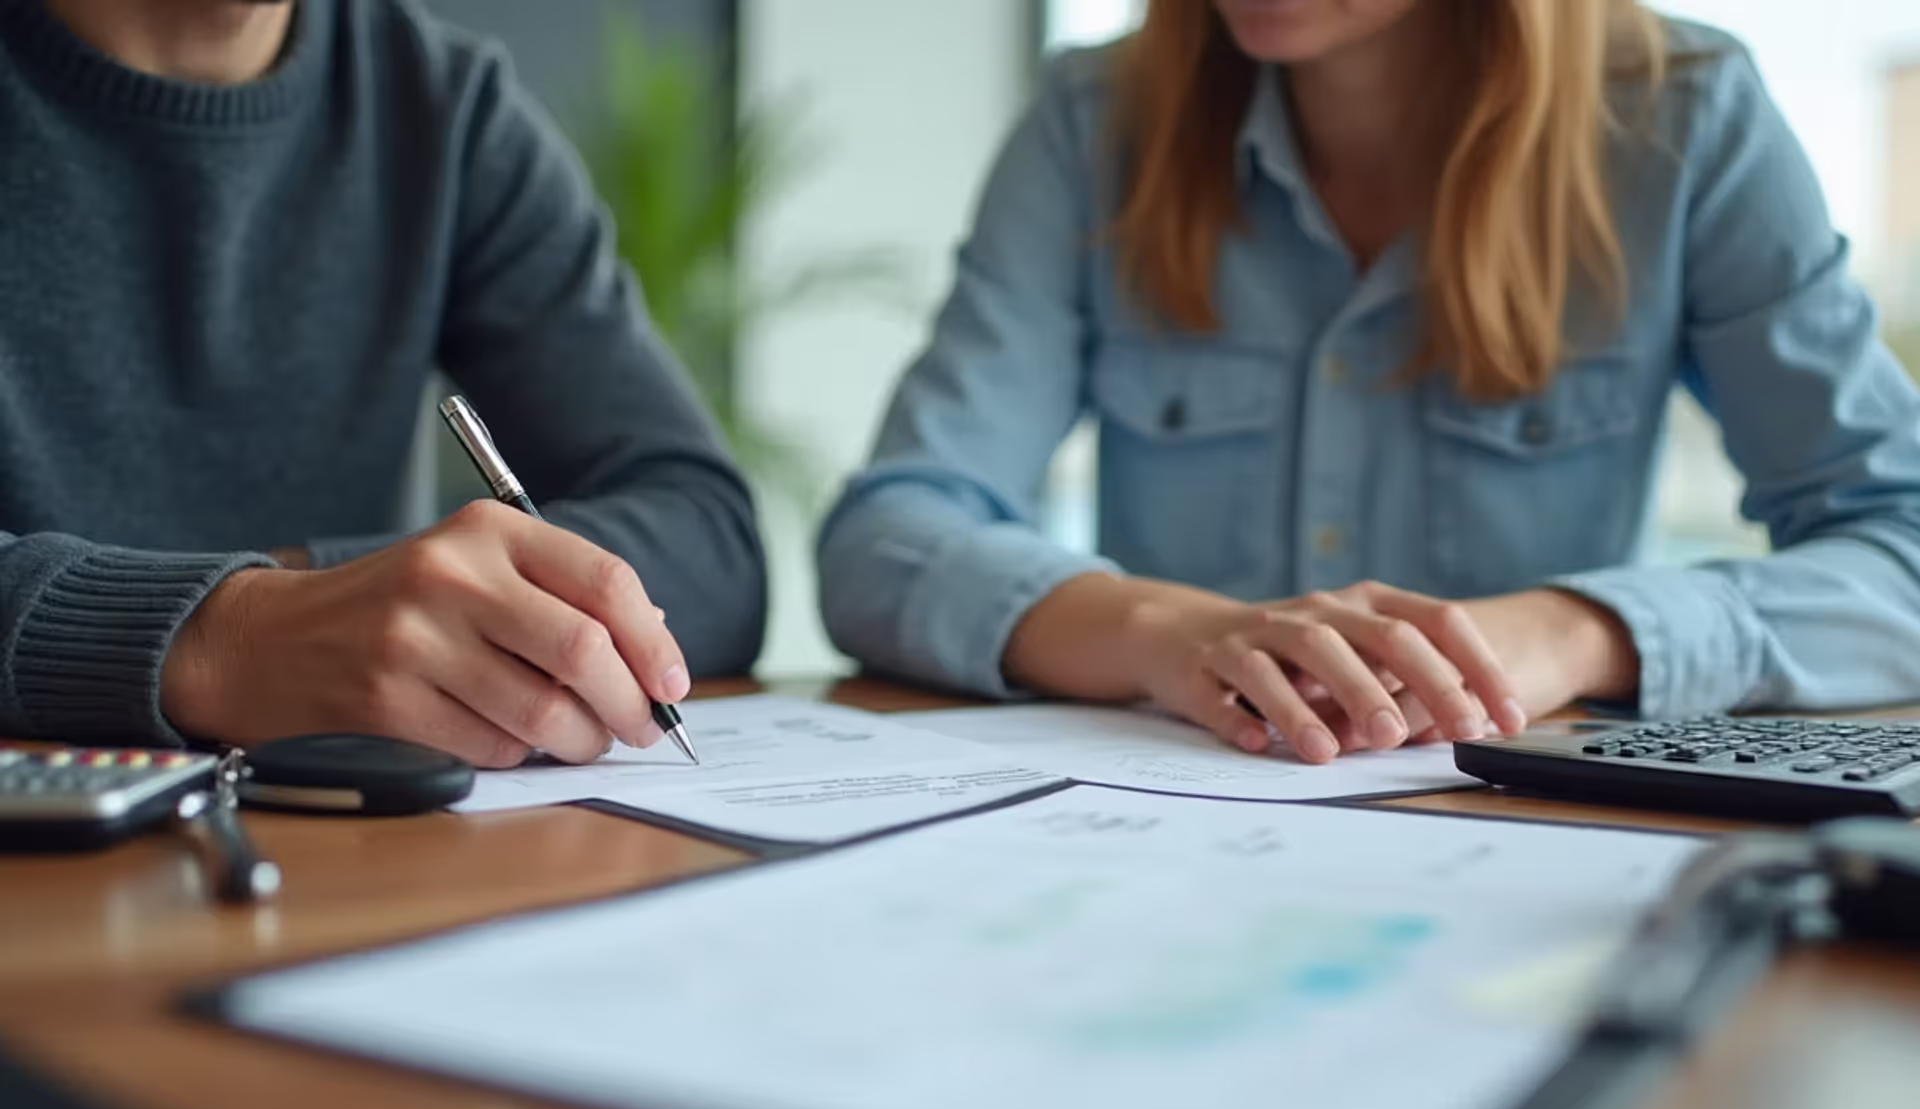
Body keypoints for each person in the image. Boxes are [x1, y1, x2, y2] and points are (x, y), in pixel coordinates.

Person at [818, 0, 1920, 764]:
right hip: (1169, 837)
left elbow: (1900, 547)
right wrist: (1165, 634)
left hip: (1538, 852)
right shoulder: (1094, 120)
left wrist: (1578, 631)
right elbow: (887, 539)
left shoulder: (1688, 118)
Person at [0, 0, 766, 766]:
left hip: (362, 852)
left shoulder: (442, 110)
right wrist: (226, 633)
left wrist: (325, 605)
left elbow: (711, 544)